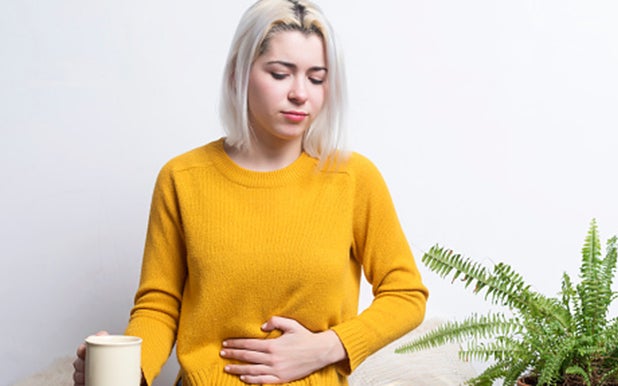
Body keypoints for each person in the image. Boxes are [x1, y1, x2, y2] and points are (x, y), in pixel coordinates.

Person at [73, 0, 428, 384]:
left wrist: (328, 346)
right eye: (280, 73)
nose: (299, 93)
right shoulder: (183, 178)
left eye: (316, 77)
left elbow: (406, 293)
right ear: (239, 74)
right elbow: (159, 305)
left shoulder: (353, 178)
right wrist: (125, 370)